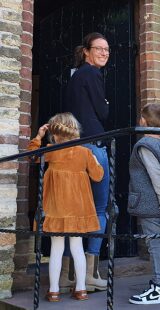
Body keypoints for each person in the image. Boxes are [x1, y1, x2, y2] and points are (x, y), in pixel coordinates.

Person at [28, 113, 104, 302]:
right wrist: (95, 160)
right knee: (77, 247)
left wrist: (38, 137)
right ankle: (81, 289)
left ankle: (53, 291)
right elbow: (98, 176)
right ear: (75, 130)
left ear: (54, 133)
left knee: (56, 247)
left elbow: (32, 157)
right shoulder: (85, 152)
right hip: (78, 209)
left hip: (57, 208)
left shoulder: (52, 150)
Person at [63, 32, 110, 292]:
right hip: (93, 144)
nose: (104, 53)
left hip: (74, 146)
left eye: (107, 50)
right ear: (87, 52)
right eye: (99, 49)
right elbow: (103, 112)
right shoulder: (92, 74)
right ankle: (90, 273)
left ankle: (69, 274)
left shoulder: (75, 77)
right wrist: (105, 103)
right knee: (99, 207)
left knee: (76, 208)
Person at [127, 103, 160, 305]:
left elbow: (156, 175)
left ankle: (159, 286)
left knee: (155, 243)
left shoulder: (145, 145)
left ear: (143, 121)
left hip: (152, 204)